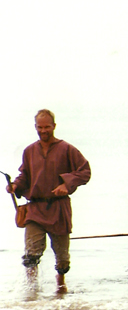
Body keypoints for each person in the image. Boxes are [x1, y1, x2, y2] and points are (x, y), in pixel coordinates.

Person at [7, 109, 91, 293]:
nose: (43, 131)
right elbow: (24, 175)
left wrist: (66, 184)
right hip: (35, 208)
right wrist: (15, 186)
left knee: (62, 257)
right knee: (31, 254)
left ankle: (61, 286)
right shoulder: (29, 151)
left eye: (47, 127)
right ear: (35, 127)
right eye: (40, 127)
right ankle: (31, 292)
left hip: (59, 208)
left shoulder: (67, 149)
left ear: (54, 126)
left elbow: (85, 172)